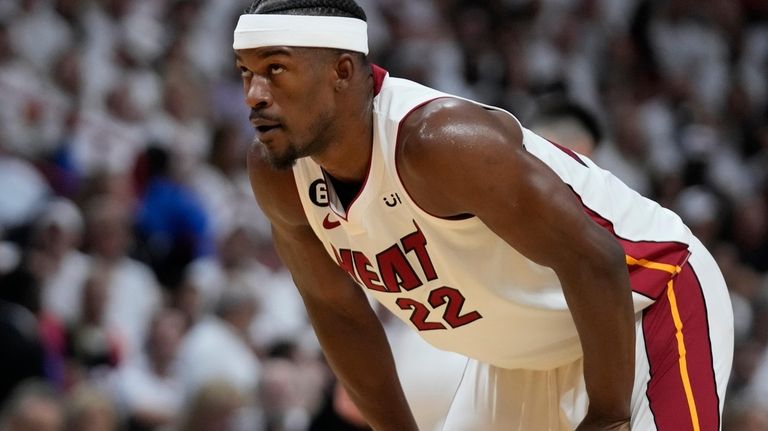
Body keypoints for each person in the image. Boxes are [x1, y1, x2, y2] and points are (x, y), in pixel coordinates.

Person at [234, 1, 734, 430]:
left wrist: (607, 415)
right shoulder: (279, 173)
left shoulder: (438, 143)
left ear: (342, 72)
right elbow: (338, 312)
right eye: (245, 72)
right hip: (519, 356)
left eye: (275, 69)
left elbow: (596, 259)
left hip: (646, 301)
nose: (254, 93)